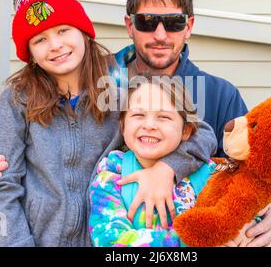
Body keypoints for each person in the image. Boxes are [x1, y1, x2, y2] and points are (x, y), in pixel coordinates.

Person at [0, 0, 271, 246]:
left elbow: (235, 157)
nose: (160, 34)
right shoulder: (40, 93)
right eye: (148, 22)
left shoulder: (203, 93)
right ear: (129, 25)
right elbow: (3, 183)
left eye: (173, 22)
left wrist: (169, 169)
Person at [89, 75, 227, 246]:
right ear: (123, 126)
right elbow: (109, 240)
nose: (149, 125)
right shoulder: (110, 177)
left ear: (186, 131)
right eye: (138, 114)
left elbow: (243, 213)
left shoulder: (211, 174)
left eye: (163, 117)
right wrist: (202, 239)